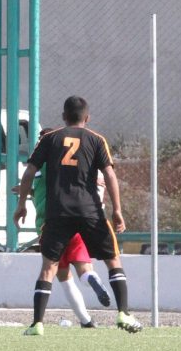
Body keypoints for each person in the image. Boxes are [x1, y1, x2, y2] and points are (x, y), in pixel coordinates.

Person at [14, 96, 142, 336]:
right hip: (89, 211)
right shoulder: (96, 139)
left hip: (57, 212)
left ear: (64, 116)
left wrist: (21, 204)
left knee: (49, 268)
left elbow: (30, 172)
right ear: (87, 117)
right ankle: (123, 313)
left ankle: (37, 324)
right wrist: (117, 210)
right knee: (112, 260)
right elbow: (110, 175)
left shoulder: (50, 139)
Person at [13, 128, 111, 329]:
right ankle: (92, 281)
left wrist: (26, 192)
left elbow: (38, 184)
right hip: (74, 221)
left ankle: (85, 320)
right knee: (84, 269)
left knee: (62, 275)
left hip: (47, 225)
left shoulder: (38, 166)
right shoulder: (64, 164)